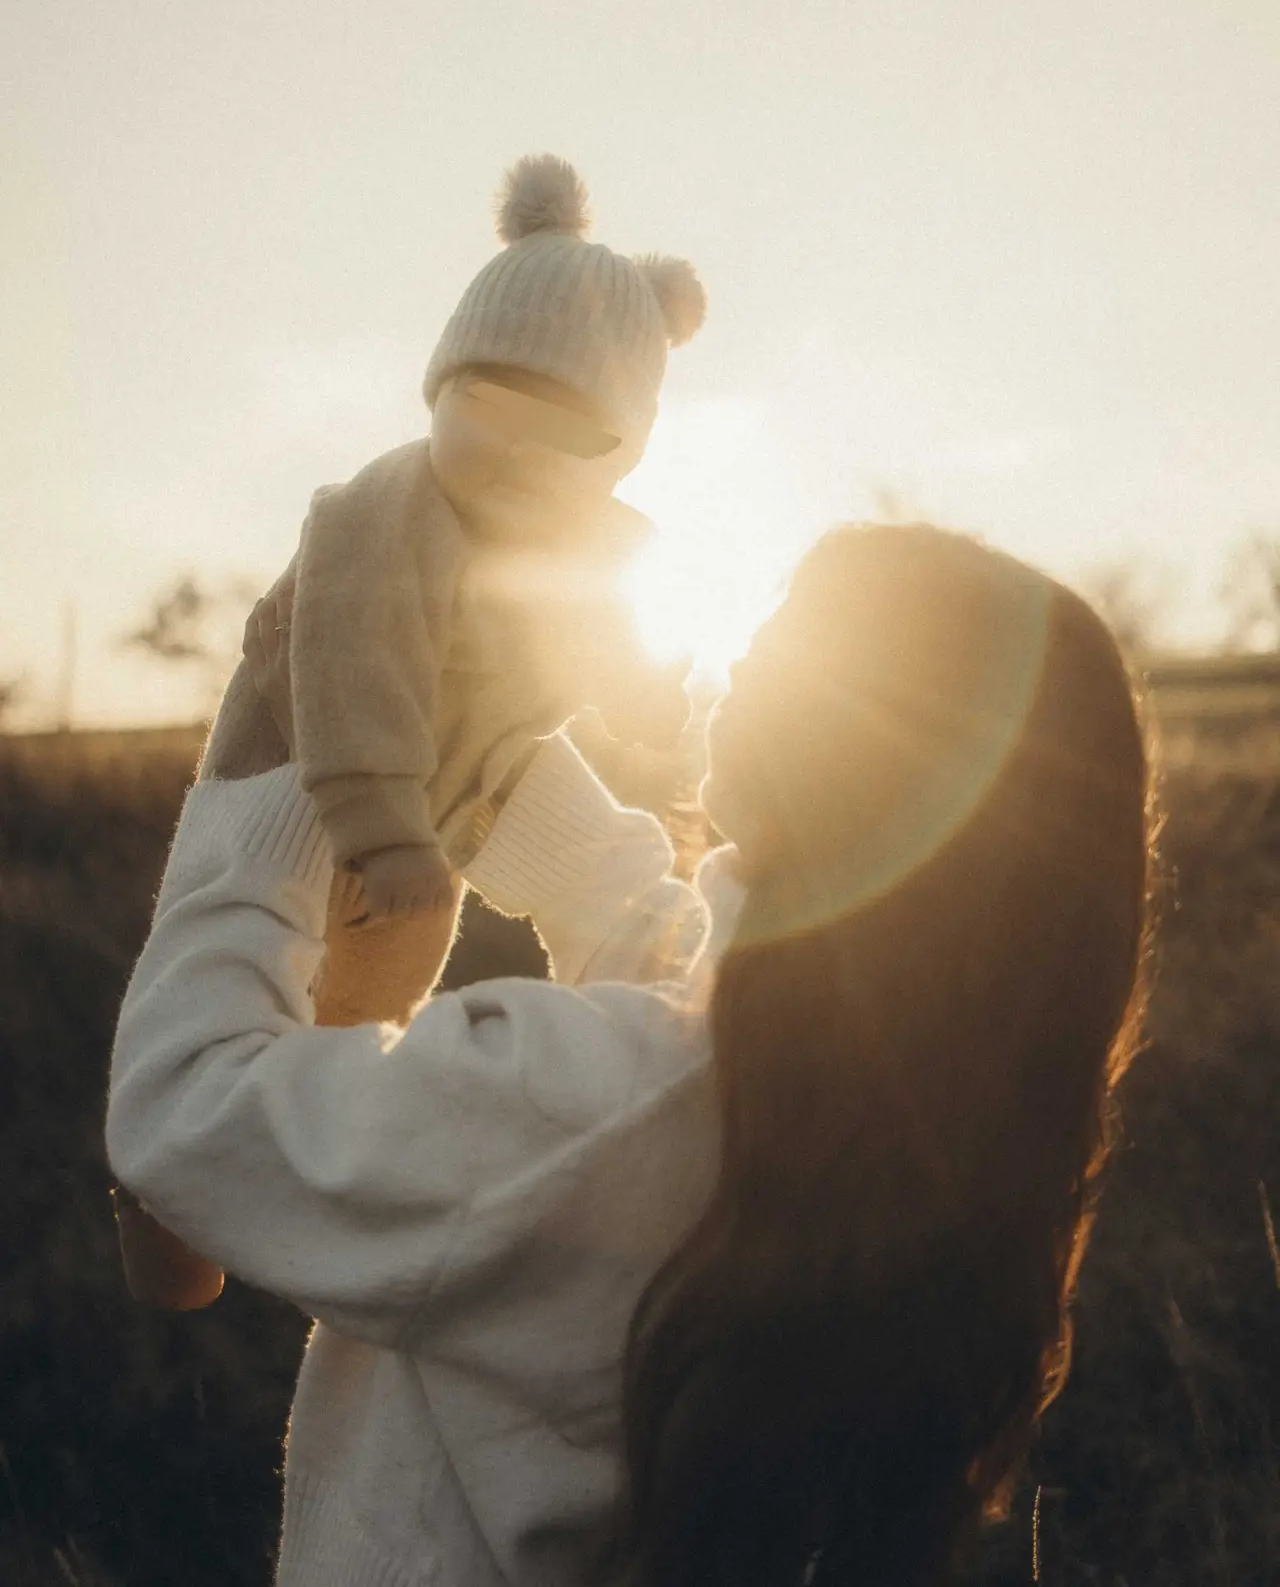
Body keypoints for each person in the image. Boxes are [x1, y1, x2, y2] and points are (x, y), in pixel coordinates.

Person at [106, 523, 1154, 1587]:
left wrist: (283, 760)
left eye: (795, 635)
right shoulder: (910, 1124)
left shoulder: (574, 1104)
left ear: (867, 761)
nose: (744, 653)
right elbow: (669, 953)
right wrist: (472, 759)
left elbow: (185, 1107)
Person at [113, 150, 701, 1309]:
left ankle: (679, 1058)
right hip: (300, 766)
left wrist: (661, 738)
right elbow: (353, 670)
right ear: (437, 391)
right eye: (486, 405)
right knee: (246, 946)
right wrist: (382, 831)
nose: (519, 454)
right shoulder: (385, 512)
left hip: (482, 769)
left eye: (568, 434)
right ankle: (170, 1200)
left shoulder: (590, 541)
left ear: (619, 449)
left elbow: (603, 648)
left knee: (614, 870)